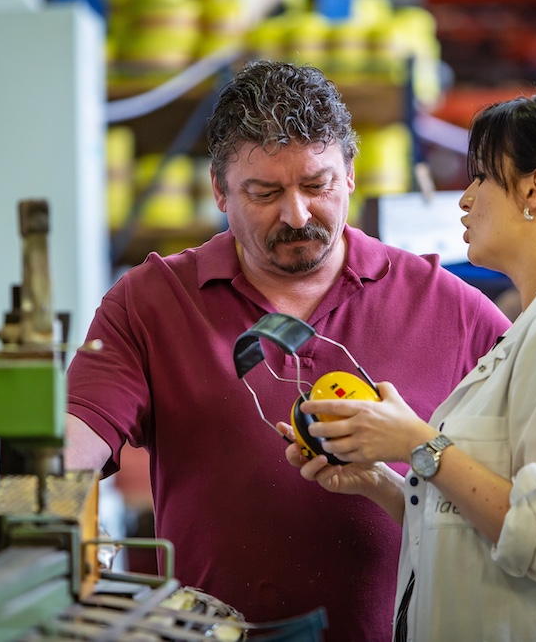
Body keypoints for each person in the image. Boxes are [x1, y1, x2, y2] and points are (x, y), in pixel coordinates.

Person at [62, 59, 511, 641]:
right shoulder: (151, 302)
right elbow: (75, 446)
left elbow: (528, 488)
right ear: (219, 191)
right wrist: (36, 505)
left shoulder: (445, 305)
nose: (296, 214)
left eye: (316, 184)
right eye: (265, 192)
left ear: (350, 175)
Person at [286, 91, 536, 641]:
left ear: (533, 188)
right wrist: (383, 483)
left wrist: (419, 445)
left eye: (480, 178)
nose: (464, 200)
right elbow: (479, 535)